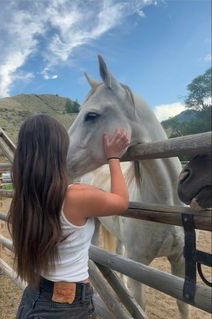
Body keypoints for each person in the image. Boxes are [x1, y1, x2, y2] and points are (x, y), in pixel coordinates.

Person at [8, 114, 129, 319]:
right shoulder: (76, 197)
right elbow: (121, 201)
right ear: (59, 151)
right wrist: (114, 158)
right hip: (66, 308)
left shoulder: (23, 198)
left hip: (33, 297)